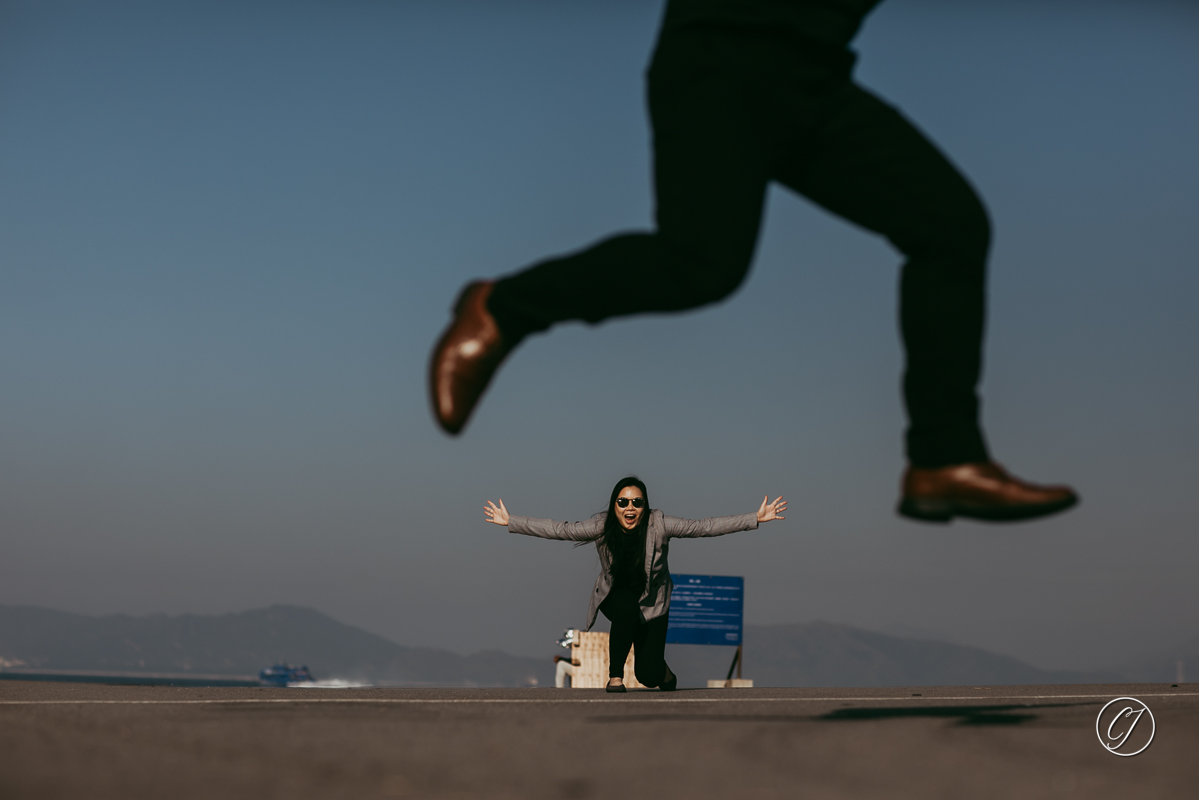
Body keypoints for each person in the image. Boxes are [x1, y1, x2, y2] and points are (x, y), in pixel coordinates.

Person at [429, 0, 1078, 524]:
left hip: (816, 79)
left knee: (950, 225)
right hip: (721, 53)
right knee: (701, 262)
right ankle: (502, 308)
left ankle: (945, 459)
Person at [484, 476, 786, 692]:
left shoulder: (661, 523)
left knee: (648, 674)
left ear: (645, 506)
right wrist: (512, 521)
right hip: (618, 598)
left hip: (654, 604)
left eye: (637, 502)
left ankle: (666, 676)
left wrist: (755, 518)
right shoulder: (602, 526)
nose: (630, 508)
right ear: (615, 505)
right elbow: (561, 530)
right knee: (626, 607)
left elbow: (703, 527)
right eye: (623, 501)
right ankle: (615, 677)